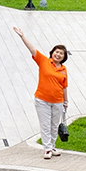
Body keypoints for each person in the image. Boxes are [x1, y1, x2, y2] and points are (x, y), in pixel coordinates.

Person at [13, 27, 68, 160]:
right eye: (56, 52)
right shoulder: (44, 61)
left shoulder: (63, 69)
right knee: (45, 125)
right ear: (52, 53)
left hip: (58, 101)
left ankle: (52, 146)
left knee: (54, 125)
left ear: (64, 57)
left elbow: (64, 86)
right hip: (42, 100)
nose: (58, 55)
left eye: (61, 53)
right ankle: (47, 148)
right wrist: (22, 36)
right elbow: (32, 50)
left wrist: (66, 101)